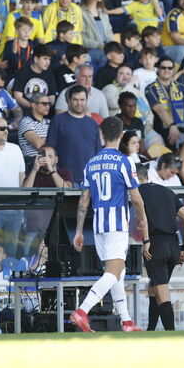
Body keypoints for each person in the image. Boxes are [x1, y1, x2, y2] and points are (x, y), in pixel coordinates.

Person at [70, 117, 149, 333]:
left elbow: (84, 199)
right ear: (122, 135)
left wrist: (78, 230)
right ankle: (82, 311)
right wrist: (143, 220)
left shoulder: (91, 163)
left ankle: (126, 321)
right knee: (113, 272)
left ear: (101, 135)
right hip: (116, 224)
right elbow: (137, 198)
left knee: (118, 272)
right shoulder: (125, 162)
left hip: (98, 225)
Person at [136, 162, 184, 331]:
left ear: (134, 176)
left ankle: (171, 334)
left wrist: (146, 242)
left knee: (162, 293)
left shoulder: (137, 193)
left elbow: (142, 220)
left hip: (156, 246)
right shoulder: (167, 191)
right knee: (154, 287)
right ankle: (151, 330)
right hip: (174, 246)